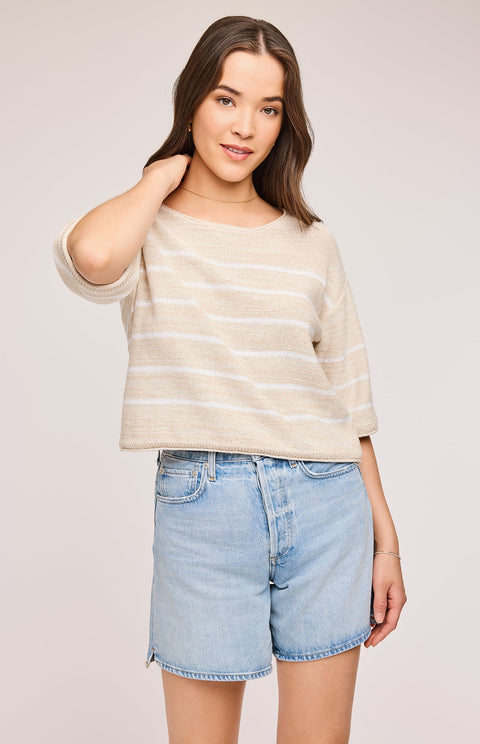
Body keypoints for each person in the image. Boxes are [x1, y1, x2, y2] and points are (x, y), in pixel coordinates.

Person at [53, 15, 407, 744]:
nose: (246, 126)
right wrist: (162, 174)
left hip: (326, 506)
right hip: (204, 510)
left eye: (269, 108)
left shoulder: (311, 241)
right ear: (192, 101)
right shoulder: (147, 225)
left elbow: (349, 402)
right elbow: (91, 257)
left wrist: (387, 543)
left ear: (285, 122)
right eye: (226, 99)